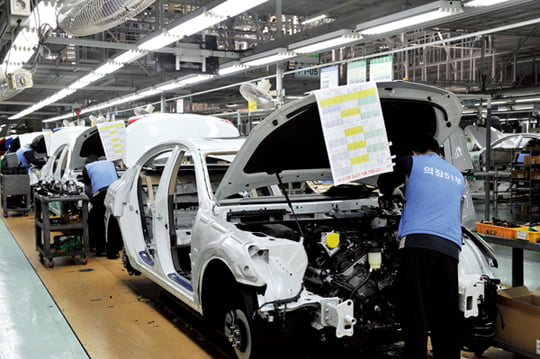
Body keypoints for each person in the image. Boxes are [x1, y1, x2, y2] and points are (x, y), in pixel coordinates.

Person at [377, 136, 464, 359]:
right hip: (450, 247)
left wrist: (395, 192)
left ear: (415, 152)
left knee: (415, 308)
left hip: (419, 243)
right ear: (439, 153)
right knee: (445, 313)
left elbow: (383, 183)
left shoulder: (411, 162)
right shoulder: (457, 174)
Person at [82, 155, 119, 258]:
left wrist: (90, 201)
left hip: (101, 194)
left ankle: (101, 249)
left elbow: (88, 188)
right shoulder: (110, 163)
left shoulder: (87, 168)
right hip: (116, 192)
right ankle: (114, 250)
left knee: (97, 221)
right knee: (113, 221)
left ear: (87, 163)